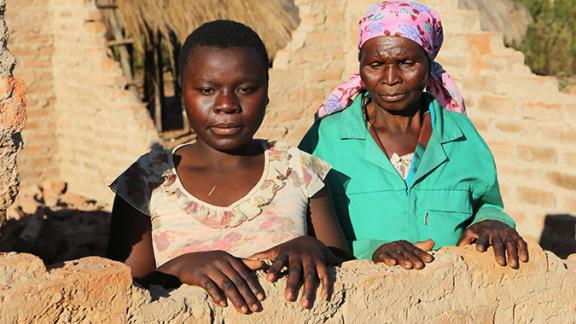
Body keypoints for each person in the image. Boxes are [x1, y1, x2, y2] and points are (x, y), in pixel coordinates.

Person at [106, 20, 350, 314]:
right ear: (183, 94)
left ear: (267, 93)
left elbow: (346, 269)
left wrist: (313, 248)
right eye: (207, 90)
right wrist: (179, 268)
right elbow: (125, 296)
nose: (226, 105)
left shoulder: (299, 171)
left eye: (246, 89)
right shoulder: (147, 181)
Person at [300, 1, 529, 270]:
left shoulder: (460, 135)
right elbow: (301, 226)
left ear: (428, 64)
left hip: (451, 299)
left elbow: (487, 202)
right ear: (361, 66)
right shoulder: (326, 138)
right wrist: (371, 250)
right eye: (375, 64)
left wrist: (491, 220)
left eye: (406, 63)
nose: (390, 78)